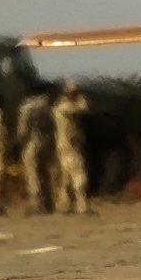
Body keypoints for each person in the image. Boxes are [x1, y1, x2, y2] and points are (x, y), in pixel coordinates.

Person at [51, 83, 90, 214]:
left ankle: (63, 206)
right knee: (79, 175)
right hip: (70, 146)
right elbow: (84, 108)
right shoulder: (65, 108)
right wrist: (81, 99)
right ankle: (82, 206)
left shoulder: (58, 107)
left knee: (66, 177)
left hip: (63, 145)